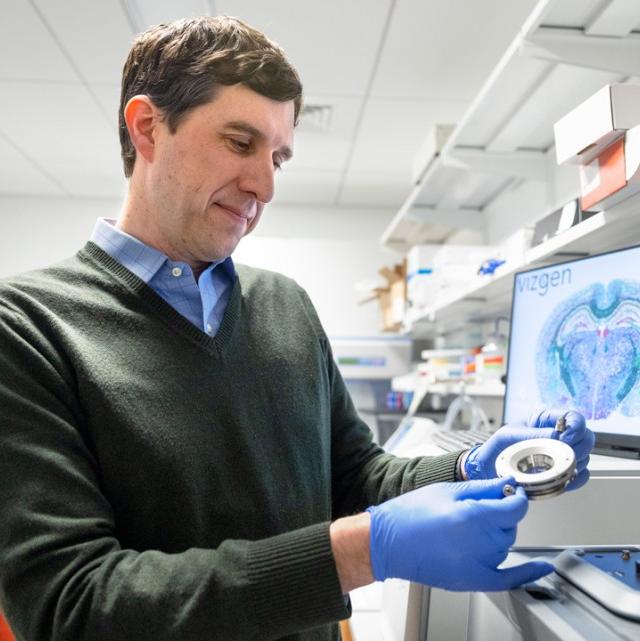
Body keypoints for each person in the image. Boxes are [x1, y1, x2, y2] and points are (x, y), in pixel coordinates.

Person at [0, 15, 594, 641]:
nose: (264, 184)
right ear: (148, 126)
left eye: (278, 156)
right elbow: (70, 603)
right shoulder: (30, 327)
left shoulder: (285, 307)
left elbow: (352, 477)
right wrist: (361, 552)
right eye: (239, 142)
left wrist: (472, 466)